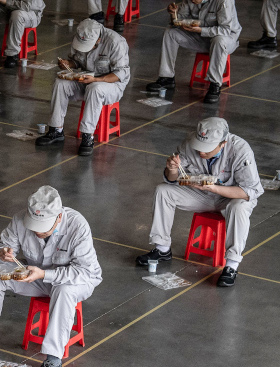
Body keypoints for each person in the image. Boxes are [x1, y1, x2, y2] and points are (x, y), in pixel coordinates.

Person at [0, 185, 102, 367]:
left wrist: (45, 274)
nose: (37, 231)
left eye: (43, 226)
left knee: (63, 291)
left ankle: (53, 361)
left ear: (59, 218)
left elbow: (83, 272)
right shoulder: (20, 219)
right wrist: (2, 253)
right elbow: (1, 246)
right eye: (34, 224)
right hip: (36, 276)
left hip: (74, 280)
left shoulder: (78, 226)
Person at [135, 117, 261, 288]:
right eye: (199, 146)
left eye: (207, 149)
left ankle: (231, 265)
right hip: (203, 194)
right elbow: (172, 180)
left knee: (238, 208)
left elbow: (250, 191)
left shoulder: (240, 151)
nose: (201, 152)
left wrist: (214, 188)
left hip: (233, 197)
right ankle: (162, 248)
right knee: (163, 191)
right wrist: (171, 169)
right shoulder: (189, 143)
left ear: (223, 143)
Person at [35, 18, 130, 157]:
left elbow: (121, 73)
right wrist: (69, 64)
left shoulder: (116, 42)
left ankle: (88, 136)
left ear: (98, 40)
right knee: (60, 83)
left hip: (111, 85)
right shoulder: (79, 37)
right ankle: (56, 130)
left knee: (95, 88)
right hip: (86, 79)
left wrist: (96, 79)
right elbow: (77, 61)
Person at [145, 0, 241, 104]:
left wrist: (201, 30)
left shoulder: (223, 1)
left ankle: (215, 85)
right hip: (201, 36)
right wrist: (174, 15)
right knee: (170, 33)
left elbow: (225, 30)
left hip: (226, 39)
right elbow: (178, 22)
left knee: (219, 40)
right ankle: (167, 77)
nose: (192, 1)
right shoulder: (190, 0)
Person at [0, 0, 45, 68]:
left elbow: (27, 6)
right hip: (9, 9)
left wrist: (5, 1)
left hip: (30, 13)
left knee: (17, 15)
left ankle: (12, 54)